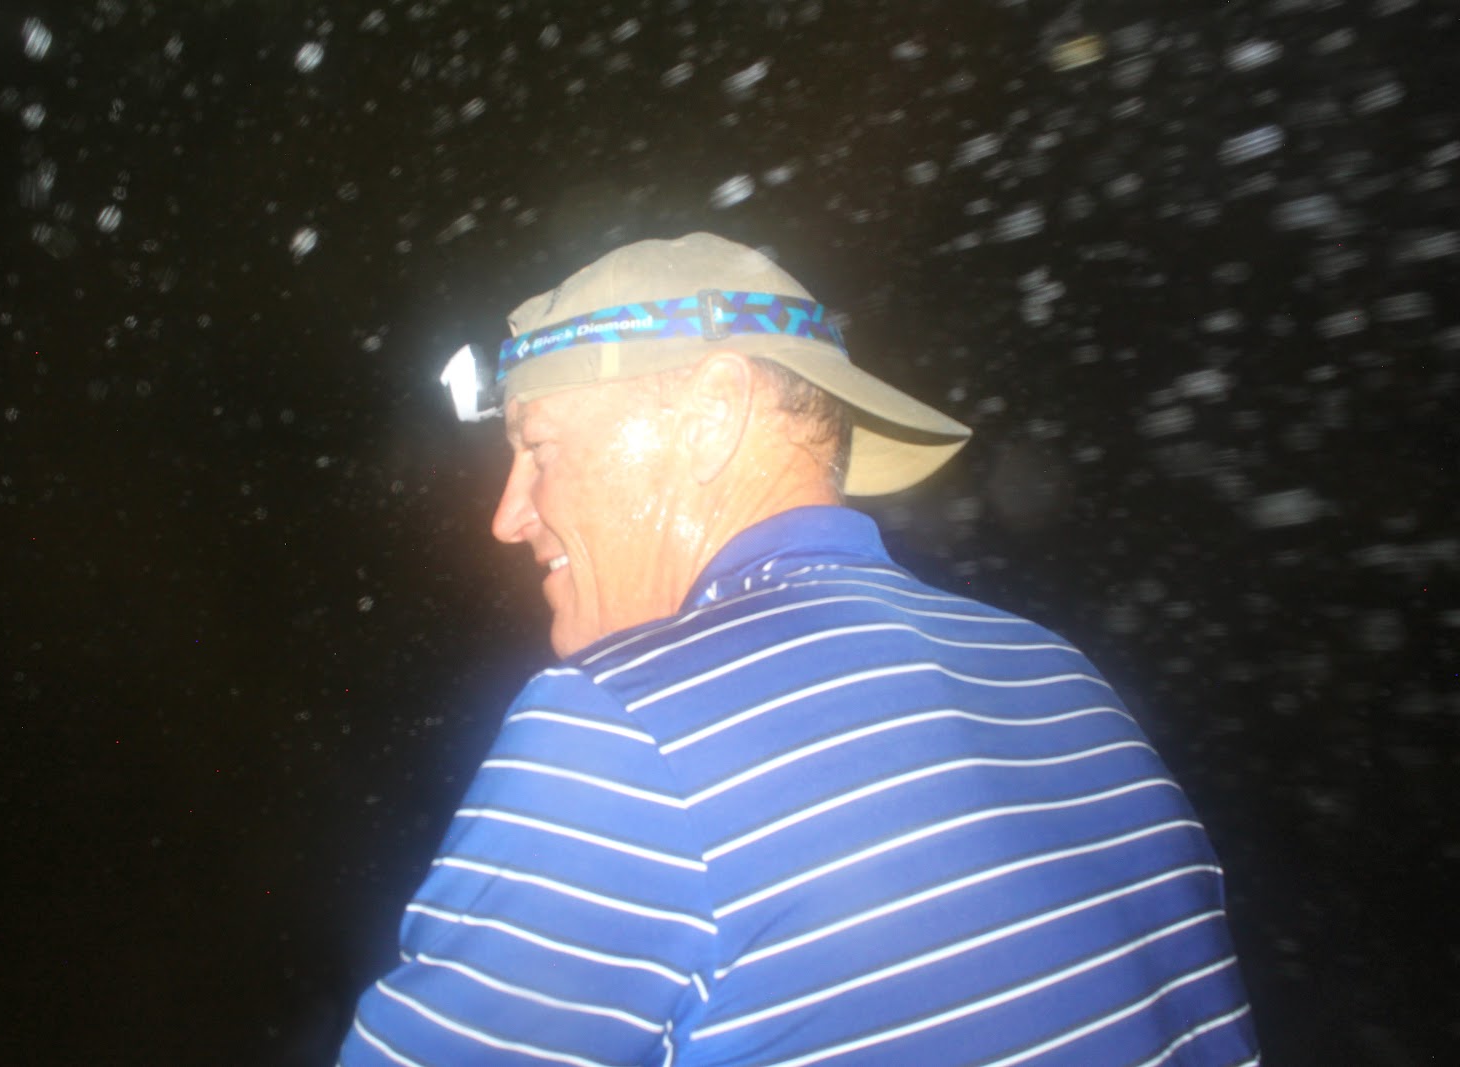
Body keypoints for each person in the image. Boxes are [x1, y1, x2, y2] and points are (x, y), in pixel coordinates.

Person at [340, 233, 1259, 1065]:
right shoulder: (1062, 679)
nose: (507, 516)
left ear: (711, 415)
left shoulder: (618, 735)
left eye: (537, 446)